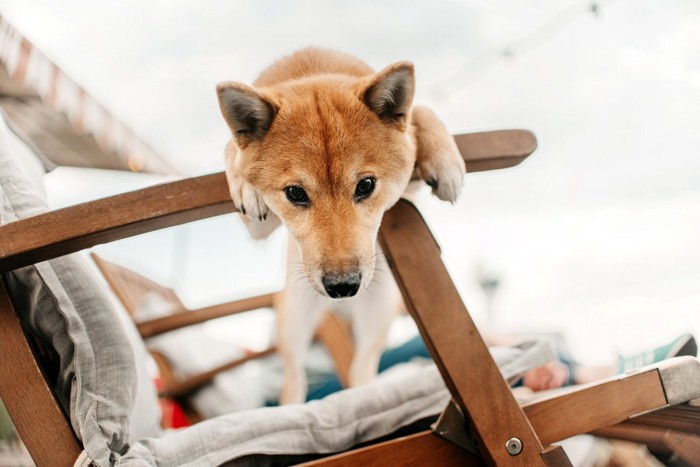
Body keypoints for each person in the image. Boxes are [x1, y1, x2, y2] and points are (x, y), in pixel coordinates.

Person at [303, 332, 697, 401]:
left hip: (338, 380)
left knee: (432, 343)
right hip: (323, 392)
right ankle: (607, 370)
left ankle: (596, 370)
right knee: (428, 343)